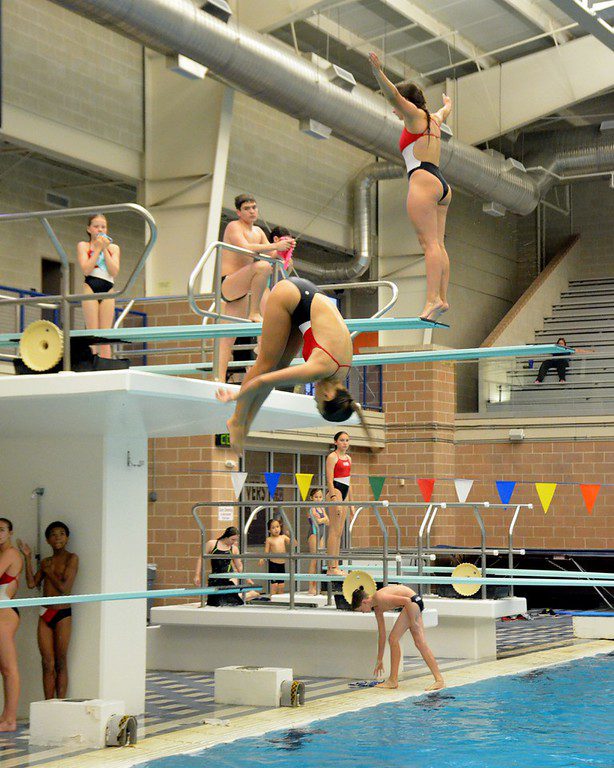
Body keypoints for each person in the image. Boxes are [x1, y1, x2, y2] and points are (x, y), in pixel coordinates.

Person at [216, 276, 371, 455]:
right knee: (266, 364)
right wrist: (237, 395)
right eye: (318, 403)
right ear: (328, 395)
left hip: (307, 306)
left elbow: (269, 381)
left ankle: (245, 426)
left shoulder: (340, 373)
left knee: (277, 368)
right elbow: (261, 380)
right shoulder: (320, 368)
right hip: (291, 294)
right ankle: (237, 421)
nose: (314, 399)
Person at [369, 52, 452, 322]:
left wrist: (377, 71)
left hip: (422, 181)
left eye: (398, 106)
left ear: (407, 102)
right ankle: (442, 297)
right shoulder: (434, 121)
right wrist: (447, 105)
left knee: (428, 244)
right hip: (441, 183)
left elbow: (392, 95)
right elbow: (442, 112)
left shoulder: (414, 117)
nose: (395, 110)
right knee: (438, 244)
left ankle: (432, 300)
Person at [217, 195, 296, 382]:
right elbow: (246, 248)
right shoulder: (233, 227)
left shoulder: (259, 231)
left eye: (254, 207)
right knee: (262, 267)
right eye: (247, 208)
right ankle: (253, 312)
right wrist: (276, 245)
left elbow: (271, 252)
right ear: (238, 212)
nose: (252, 211)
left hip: (243, 291)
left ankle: (219, 378)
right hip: (229, 283)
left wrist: (285, 253)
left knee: (227, 338)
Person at [18, 521, 78, 699]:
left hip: (62, 613)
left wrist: (49, 572)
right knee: (47, 662)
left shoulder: (72, 558)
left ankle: (60, 704)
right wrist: (27, 558)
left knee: (60, 661)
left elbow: (65, 588)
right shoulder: (46, 561)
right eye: (53, 534)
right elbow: (31, 584)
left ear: (67, 538)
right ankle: (48, 704)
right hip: (45, 613)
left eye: (61, 533)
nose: (57, 537)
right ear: (47, 540)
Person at [351, 584, 445, 691]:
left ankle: (393, 680)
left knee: (393, 639)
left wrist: (413, 622)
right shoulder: (377, 608)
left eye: (361, 610)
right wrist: (379, 659)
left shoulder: (379, 597)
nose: (363, 612)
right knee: (420, 643)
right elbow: (382, 634)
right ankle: (439, 680)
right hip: (415, 602)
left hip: (412, 602)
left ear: (364, 602)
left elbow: (407, 601)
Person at [77, 213, 120, 359]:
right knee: (93, 332)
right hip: (90, 286)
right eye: (96, 226)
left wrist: (104, 250)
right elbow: (86, 269)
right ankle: (92, 364)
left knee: (105, 334)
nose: (100, 230)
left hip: (108, 288)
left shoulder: (114, 248)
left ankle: (106, 365)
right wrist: (96, 249)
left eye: (103, 227)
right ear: (89, 229)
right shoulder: (84, 245)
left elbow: (114, 271)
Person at [193, 526, 259, 606]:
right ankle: (250, 594)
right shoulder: (212, 544)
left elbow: (239, 567)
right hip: (215, 579)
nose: (234, 542)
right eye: (232, 539)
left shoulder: (234, 549)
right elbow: (201, 558)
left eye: (235, 540)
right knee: (214, 603)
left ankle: (250, 594)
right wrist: (197, 575)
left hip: (229, 578)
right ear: (226, 536)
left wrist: (248, 580)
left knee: (232, 602)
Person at [0, 517, 23, 732]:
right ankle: (5, 717)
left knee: (9, 668)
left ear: (10, 532)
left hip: (5, 613)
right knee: (4, 668)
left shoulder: (10, 553)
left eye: (1, 530)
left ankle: (10, 720)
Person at [325, 431, 352, 576]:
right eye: (342, 440)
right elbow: (329, 479)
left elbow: (349, 481)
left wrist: (351, 503)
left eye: (347, 440)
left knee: (340, 532)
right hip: (336, 490)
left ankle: (335, 565)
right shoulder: (332, 457)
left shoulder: (348, 458)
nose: (345, 443)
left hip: (345, 491)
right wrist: (334, 497)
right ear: (335, 442)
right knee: (334, 531)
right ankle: (331, 567)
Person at [258, 518, 291, 595]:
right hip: (273, 564)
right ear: (269, 530)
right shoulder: (269, 539)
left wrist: (290, 535)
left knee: (281, 586)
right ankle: (272, 599)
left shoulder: (283, 537)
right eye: (273, 528)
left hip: (282, 564)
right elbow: (266, 552)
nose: (276, 529)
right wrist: (262, 558)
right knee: (274, 585)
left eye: (277, 526)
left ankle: (280, 601)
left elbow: (295, 544)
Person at [307, 489, 329, 595]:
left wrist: (323, 519)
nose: (318, 499)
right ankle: (311, 587)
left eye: (320, 497)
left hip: (321, 535)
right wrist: (323, 519)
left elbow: (328, 521)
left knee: (319, 560)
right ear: (311, 498)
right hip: (314, 534)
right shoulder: (312, 509)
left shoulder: (322, 508)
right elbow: (318, 521)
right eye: (316, 497)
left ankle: (317, 586)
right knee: (314, 560)